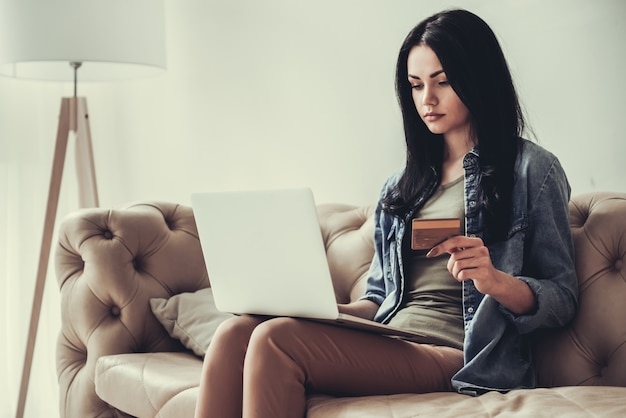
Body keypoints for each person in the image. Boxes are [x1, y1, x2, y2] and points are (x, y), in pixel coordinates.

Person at [194, 8, 578, 418]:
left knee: (275, 340)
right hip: (392, 338)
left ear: (478, 78)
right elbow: (379, 299)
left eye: (443, 82)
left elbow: (563, 298)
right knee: (235, 331)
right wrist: (320, 309)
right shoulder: (401, 187)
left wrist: (495, 280)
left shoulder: (531, 170)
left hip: (460, 354)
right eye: (415, 86)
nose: (426, 100)